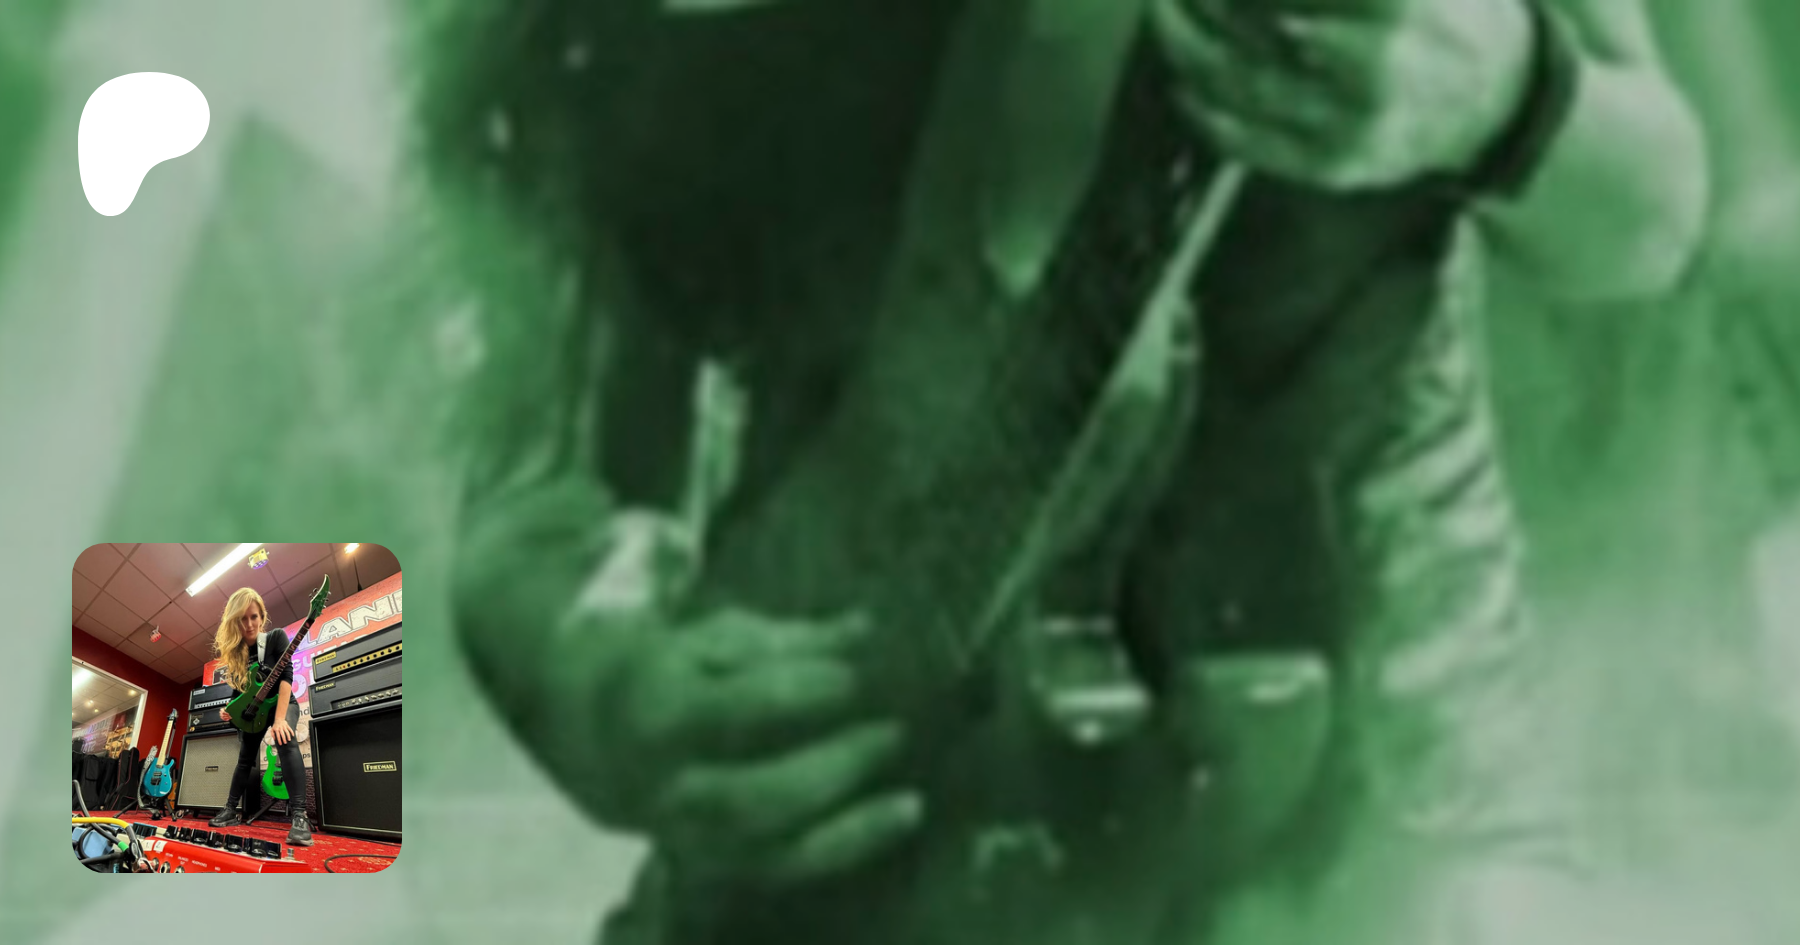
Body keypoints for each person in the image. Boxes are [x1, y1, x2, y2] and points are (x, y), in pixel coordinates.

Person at [432, 0, 1706, 942]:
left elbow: (1658, 206)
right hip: (849, 818)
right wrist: (584, 674)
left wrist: (1508, 101)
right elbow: (471, 419)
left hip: (1374, 823)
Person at [205, 588, 313, 848]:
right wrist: (229, 710)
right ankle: (230, 809)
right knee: (245, 759)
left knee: (285, 740)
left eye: (253, 617)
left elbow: (286, 677)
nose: (249, 624)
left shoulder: (275, 638)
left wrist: (279, 720)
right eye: (242, 618)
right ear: (235, 621)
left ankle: (300, 816)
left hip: (281, 703)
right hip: (255, 710)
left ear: (262, 617)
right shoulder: (237, 653)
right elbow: (239, 693)